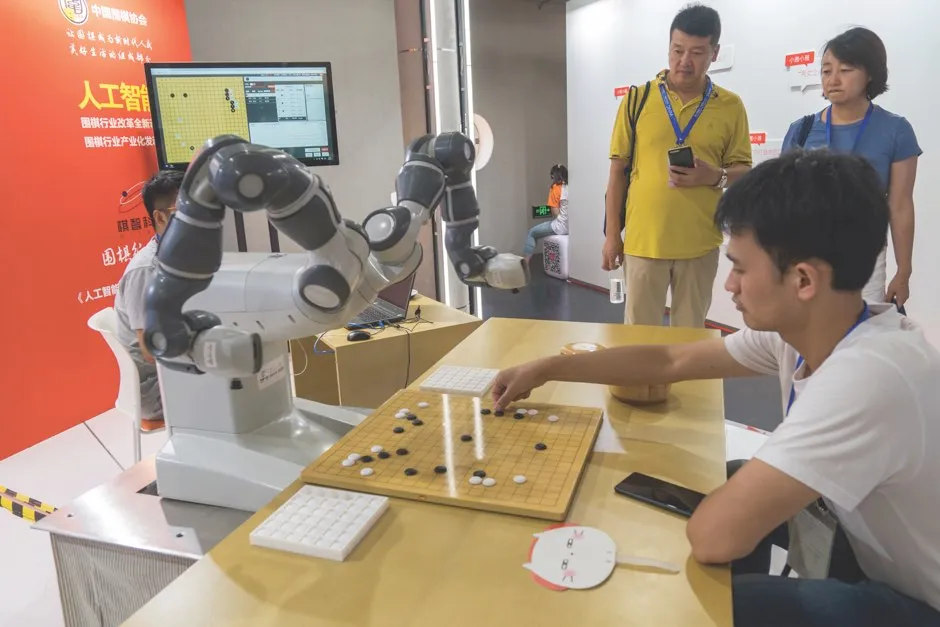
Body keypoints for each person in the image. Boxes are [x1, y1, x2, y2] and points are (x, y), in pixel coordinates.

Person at [493, 150, 940, 626]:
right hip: (865, 543)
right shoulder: (817, 328)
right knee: (721, 482)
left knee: (716, 606)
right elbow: (670, 359)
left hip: (919, 600)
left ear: (804, 280)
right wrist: (546, 369)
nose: (729, 285)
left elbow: (714, 538)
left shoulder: (869, 377)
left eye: (741, 269)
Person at [603, 3, 752, 329]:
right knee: (639, 337)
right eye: (677, 49)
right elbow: (617, 172)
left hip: (699, 243)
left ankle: (680, 385)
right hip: (644, 241)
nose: (685, 60)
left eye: (697, 52)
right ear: (668, 47)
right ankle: (640, 383)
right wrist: (612, 236)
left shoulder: (730, 106)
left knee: (690, 336)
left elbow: (744, 171)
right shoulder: (637, 99)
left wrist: (714, 175)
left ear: (714, 53)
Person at [782, 27, 920, 309]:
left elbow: (900, 205)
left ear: (870, 73)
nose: (833, 79)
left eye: (845, 69)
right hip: (805, 255)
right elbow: (782, 202)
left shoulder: (896, 130)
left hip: (865, 256)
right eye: (826, 71)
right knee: (802, 342)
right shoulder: (802, 130)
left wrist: (903, 271)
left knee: (857, 339)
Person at [114, 169, 183, 431]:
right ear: (160, 217)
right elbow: (152, 351)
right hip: (155, 388)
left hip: (173, 371)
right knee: (235, 380)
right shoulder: (146, 271)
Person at [523, 164, 569, 264]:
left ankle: (525, 263)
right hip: (572, 227)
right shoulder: (572, 187)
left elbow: (555, 213)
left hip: (561, 226)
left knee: (532, 233)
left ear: (553, 176)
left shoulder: (555, 188)